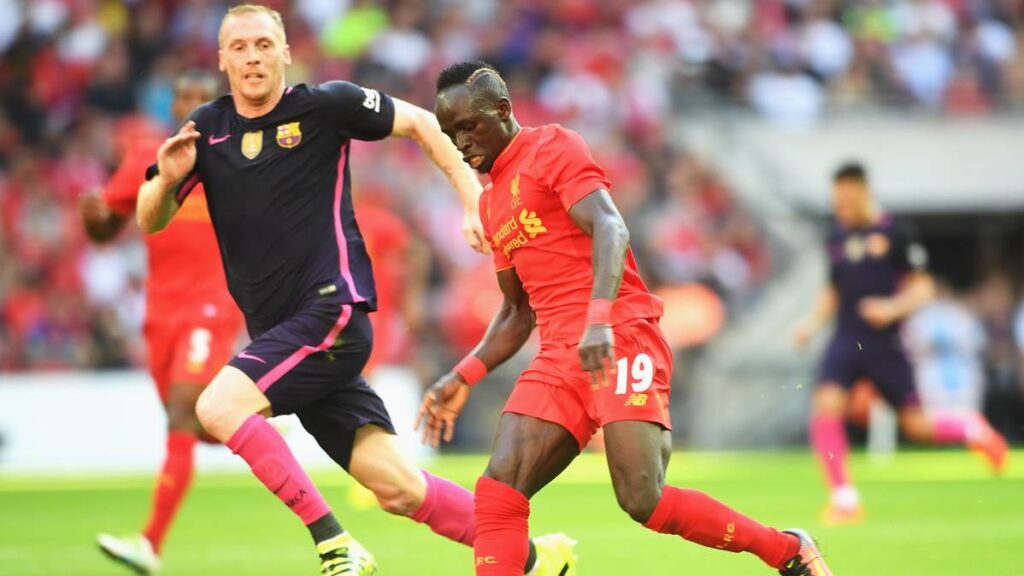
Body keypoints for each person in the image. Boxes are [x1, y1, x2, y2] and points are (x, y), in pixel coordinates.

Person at [135, 6, 573, 576]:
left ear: (285, 52)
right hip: (283, 335)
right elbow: (150, 218)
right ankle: (537, 560)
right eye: (239, 47)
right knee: (398, 488)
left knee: (218, 406)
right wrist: (166, 181)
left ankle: (335, 544)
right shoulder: (207, 128)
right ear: (222, 59)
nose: (252, 57)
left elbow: (421, 122)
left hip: (330, 312)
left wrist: (474, 200)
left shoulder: (325, 106)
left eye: (264, 44)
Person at [418, 60, 832, 576]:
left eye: (468, 126)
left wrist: (598, 320)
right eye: (450, 133)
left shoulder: (553, 147)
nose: (461, 143)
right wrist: (464, 374)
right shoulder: (491, 203)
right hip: (559, 357)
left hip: (620, 336)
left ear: (502, 110)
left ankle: (786, 549)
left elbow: (611, 228)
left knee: (642, 499)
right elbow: (516, 312)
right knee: (498, 489)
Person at [81, 71, 244, 574]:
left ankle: (149, 543)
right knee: (197, 425)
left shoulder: (237, 157)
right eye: (185, 98)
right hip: (159, 312)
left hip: (212, 304)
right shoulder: (145, 157)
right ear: (173, 105)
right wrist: (93, 217)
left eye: (203, 98)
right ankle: (258, 417)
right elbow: (105, 228)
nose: (193, 105)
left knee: (180, 414)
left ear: (217, 105)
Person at [793, 162, 1008, 525]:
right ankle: (844, 498)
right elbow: (833, 290)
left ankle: (972, 428)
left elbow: (923, 288)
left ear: (865, 193)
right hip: (846, 339)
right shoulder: (837, 237)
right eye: (838, 201)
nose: (842, 208)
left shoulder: (897, 233)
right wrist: (811, 324)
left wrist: (891, 308)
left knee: (916, 427)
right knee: (825, 406)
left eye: (848, 200)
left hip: (885, 343)